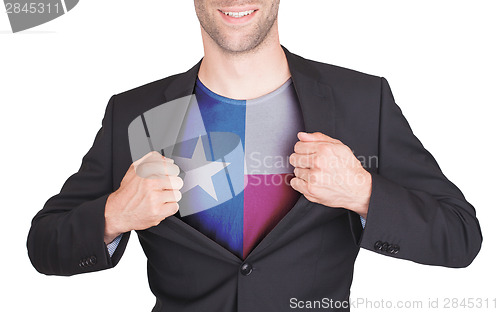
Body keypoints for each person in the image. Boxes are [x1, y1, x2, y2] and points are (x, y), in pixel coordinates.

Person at [27, 1, 482, 311]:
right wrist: (114, 214)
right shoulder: (134, 112)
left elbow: (460, 236)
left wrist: (363, 192)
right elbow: (44, 245)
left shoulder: (363, 101)